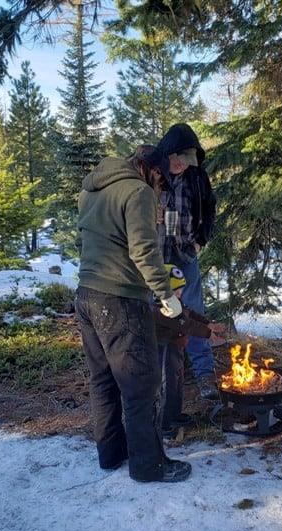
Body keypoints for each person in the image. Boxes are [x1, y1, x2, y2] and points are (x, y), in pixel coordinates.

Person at [75, 145, 192, 483]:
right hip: (120, 300)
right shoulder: (137, 190)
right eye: (160, 183)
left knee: (103, 379)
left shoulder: (92, 189)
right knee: (141, 383)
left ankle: (111, 455)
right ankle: (149, 465)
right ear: (151, 170)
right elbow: (143, 250)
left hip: (87, 295)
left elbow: (84, 243)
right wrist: (165, 294)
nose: (159, 194)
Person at [157, 123, 219, 401]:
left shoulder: (197, 176)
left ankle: (204, 373)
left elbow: (209, 208)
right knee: (158, 311)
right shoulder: (151, 174)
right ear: (168, 154)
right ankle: (161, 373)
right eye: (180, 160)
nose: (183, 166)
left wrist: (200, 241)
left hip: (186, 254)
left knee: (193, 309)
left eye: (189, 161)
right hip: (155, 256)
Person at [154, 264, 226, 439]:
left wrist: (207, 322)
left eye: (181, 289)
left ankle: (175, 415)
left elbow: (190, 314)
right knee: (167, 385)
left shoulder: (175, 301)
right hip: (164, 349)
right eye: (176, 290)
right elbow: (186, 324)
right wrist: (208, 334)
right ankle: (163, 425)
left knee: (177, 383)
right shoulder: (162, 307)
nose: (179, 293)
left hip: (177, 347)